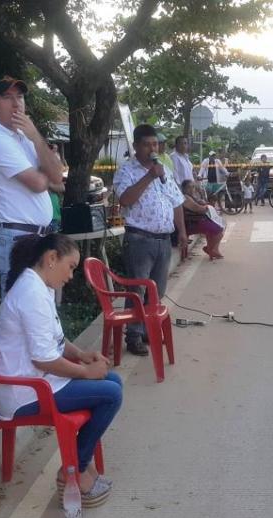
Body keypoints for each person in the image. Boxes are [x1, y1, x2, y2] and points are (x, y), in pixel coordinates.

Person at [0, 234, 122, 505]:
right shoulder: (31, 293)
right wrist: (85, 372)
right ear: (51, 259)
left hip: (34, 382)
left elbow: (57, 341)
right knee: (111, 393)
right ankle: (75, 470)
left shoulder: (40, 287)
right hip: (23, 392)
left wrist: (82, 355)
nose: (71, 275)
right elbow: (43, 360)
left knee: (114, 381)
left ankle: (78, 463)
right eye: (71, 266)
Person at [0, 76, 65, 296]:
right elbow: (39, 183)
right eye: (7, 97)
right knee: (25, 315)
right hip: (17, 237)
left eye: (20, 97)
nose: (17, 104)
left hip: (36, 236)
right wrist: (44, 172)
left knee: (41, 312)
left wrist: (34, 135)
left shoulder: (24, 136)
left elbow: (56, 175)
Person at [113, 124, 188, 356]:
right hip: (139, 240)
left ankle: (147, 328)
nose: (152, 148)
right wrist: (148, 176)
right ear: (136, 146)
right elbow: (125, 199)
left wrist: (182, 232)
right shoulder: (126, 171)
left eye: (155, 144)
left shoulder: (163, 169)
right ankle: (133, 336)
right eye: (146, 144)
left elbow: (176, 202)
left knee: (157, 290)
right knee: (138, 290)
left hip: (163, 240)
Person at [180, 180, 224, 259]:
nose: (191, 189)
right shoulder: (185, 197)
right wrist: (206, 207)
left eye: (193, 187)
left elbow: (199, 206)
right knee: (219, 230)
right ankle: (209, 248)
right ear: (184, 189)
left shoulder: (192, 197)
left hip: (196, 220)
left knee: (218, 225)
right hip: (192, 223)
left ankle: (212, 249)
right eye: (189, 187)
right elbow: (198, 209)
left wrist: (203, 203)